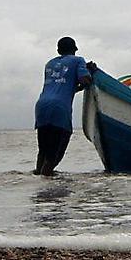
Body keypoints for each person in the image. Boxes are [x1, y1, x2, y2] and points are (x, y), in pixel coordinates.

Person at [34, 36, 94, 176]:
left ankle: (38, 181)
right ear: (75, 49)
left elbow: (63, 85)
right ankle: (46, 187)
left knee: (43, 151)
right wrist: (90, 72)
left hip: (41, 107)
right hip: (60, 108)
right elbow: (85, 81)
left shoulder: (49, 64)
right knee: (55, 153)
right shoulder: (78, 60)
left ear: (58, 50)